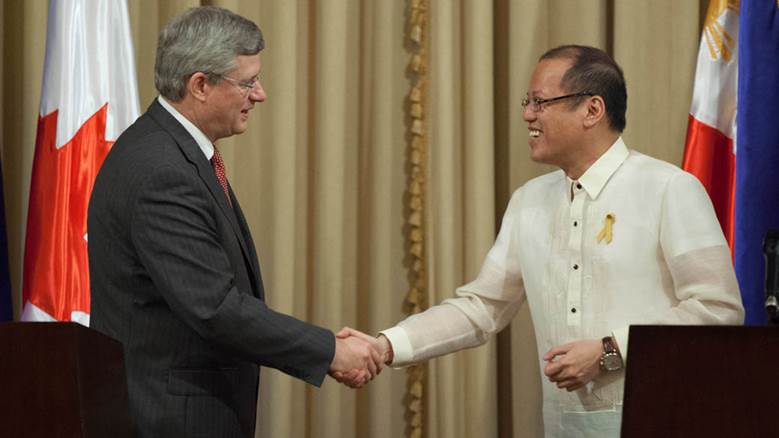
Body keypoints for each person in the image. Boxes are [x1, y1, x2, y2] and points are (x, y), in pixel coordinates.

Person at [339, 45, 744, 437]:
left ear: (592, 109)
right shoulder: (529, 201)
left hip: (662, 420)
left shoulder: (669, 188)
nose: (527, 115)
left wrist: (609, 350)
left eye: (540, 102)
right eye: (526, 102)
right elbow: (482, 307)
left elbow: (717, 309)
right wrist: (385, 345)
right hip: (563, 427)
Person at [88, 7, 381, 438]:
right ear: (200, 85)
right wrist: (329, 351)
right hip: (171, 419)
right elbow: (215, 308)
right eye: (247, 82)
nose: (260, 94)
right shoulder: (161, 171)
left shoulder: (170, 150)